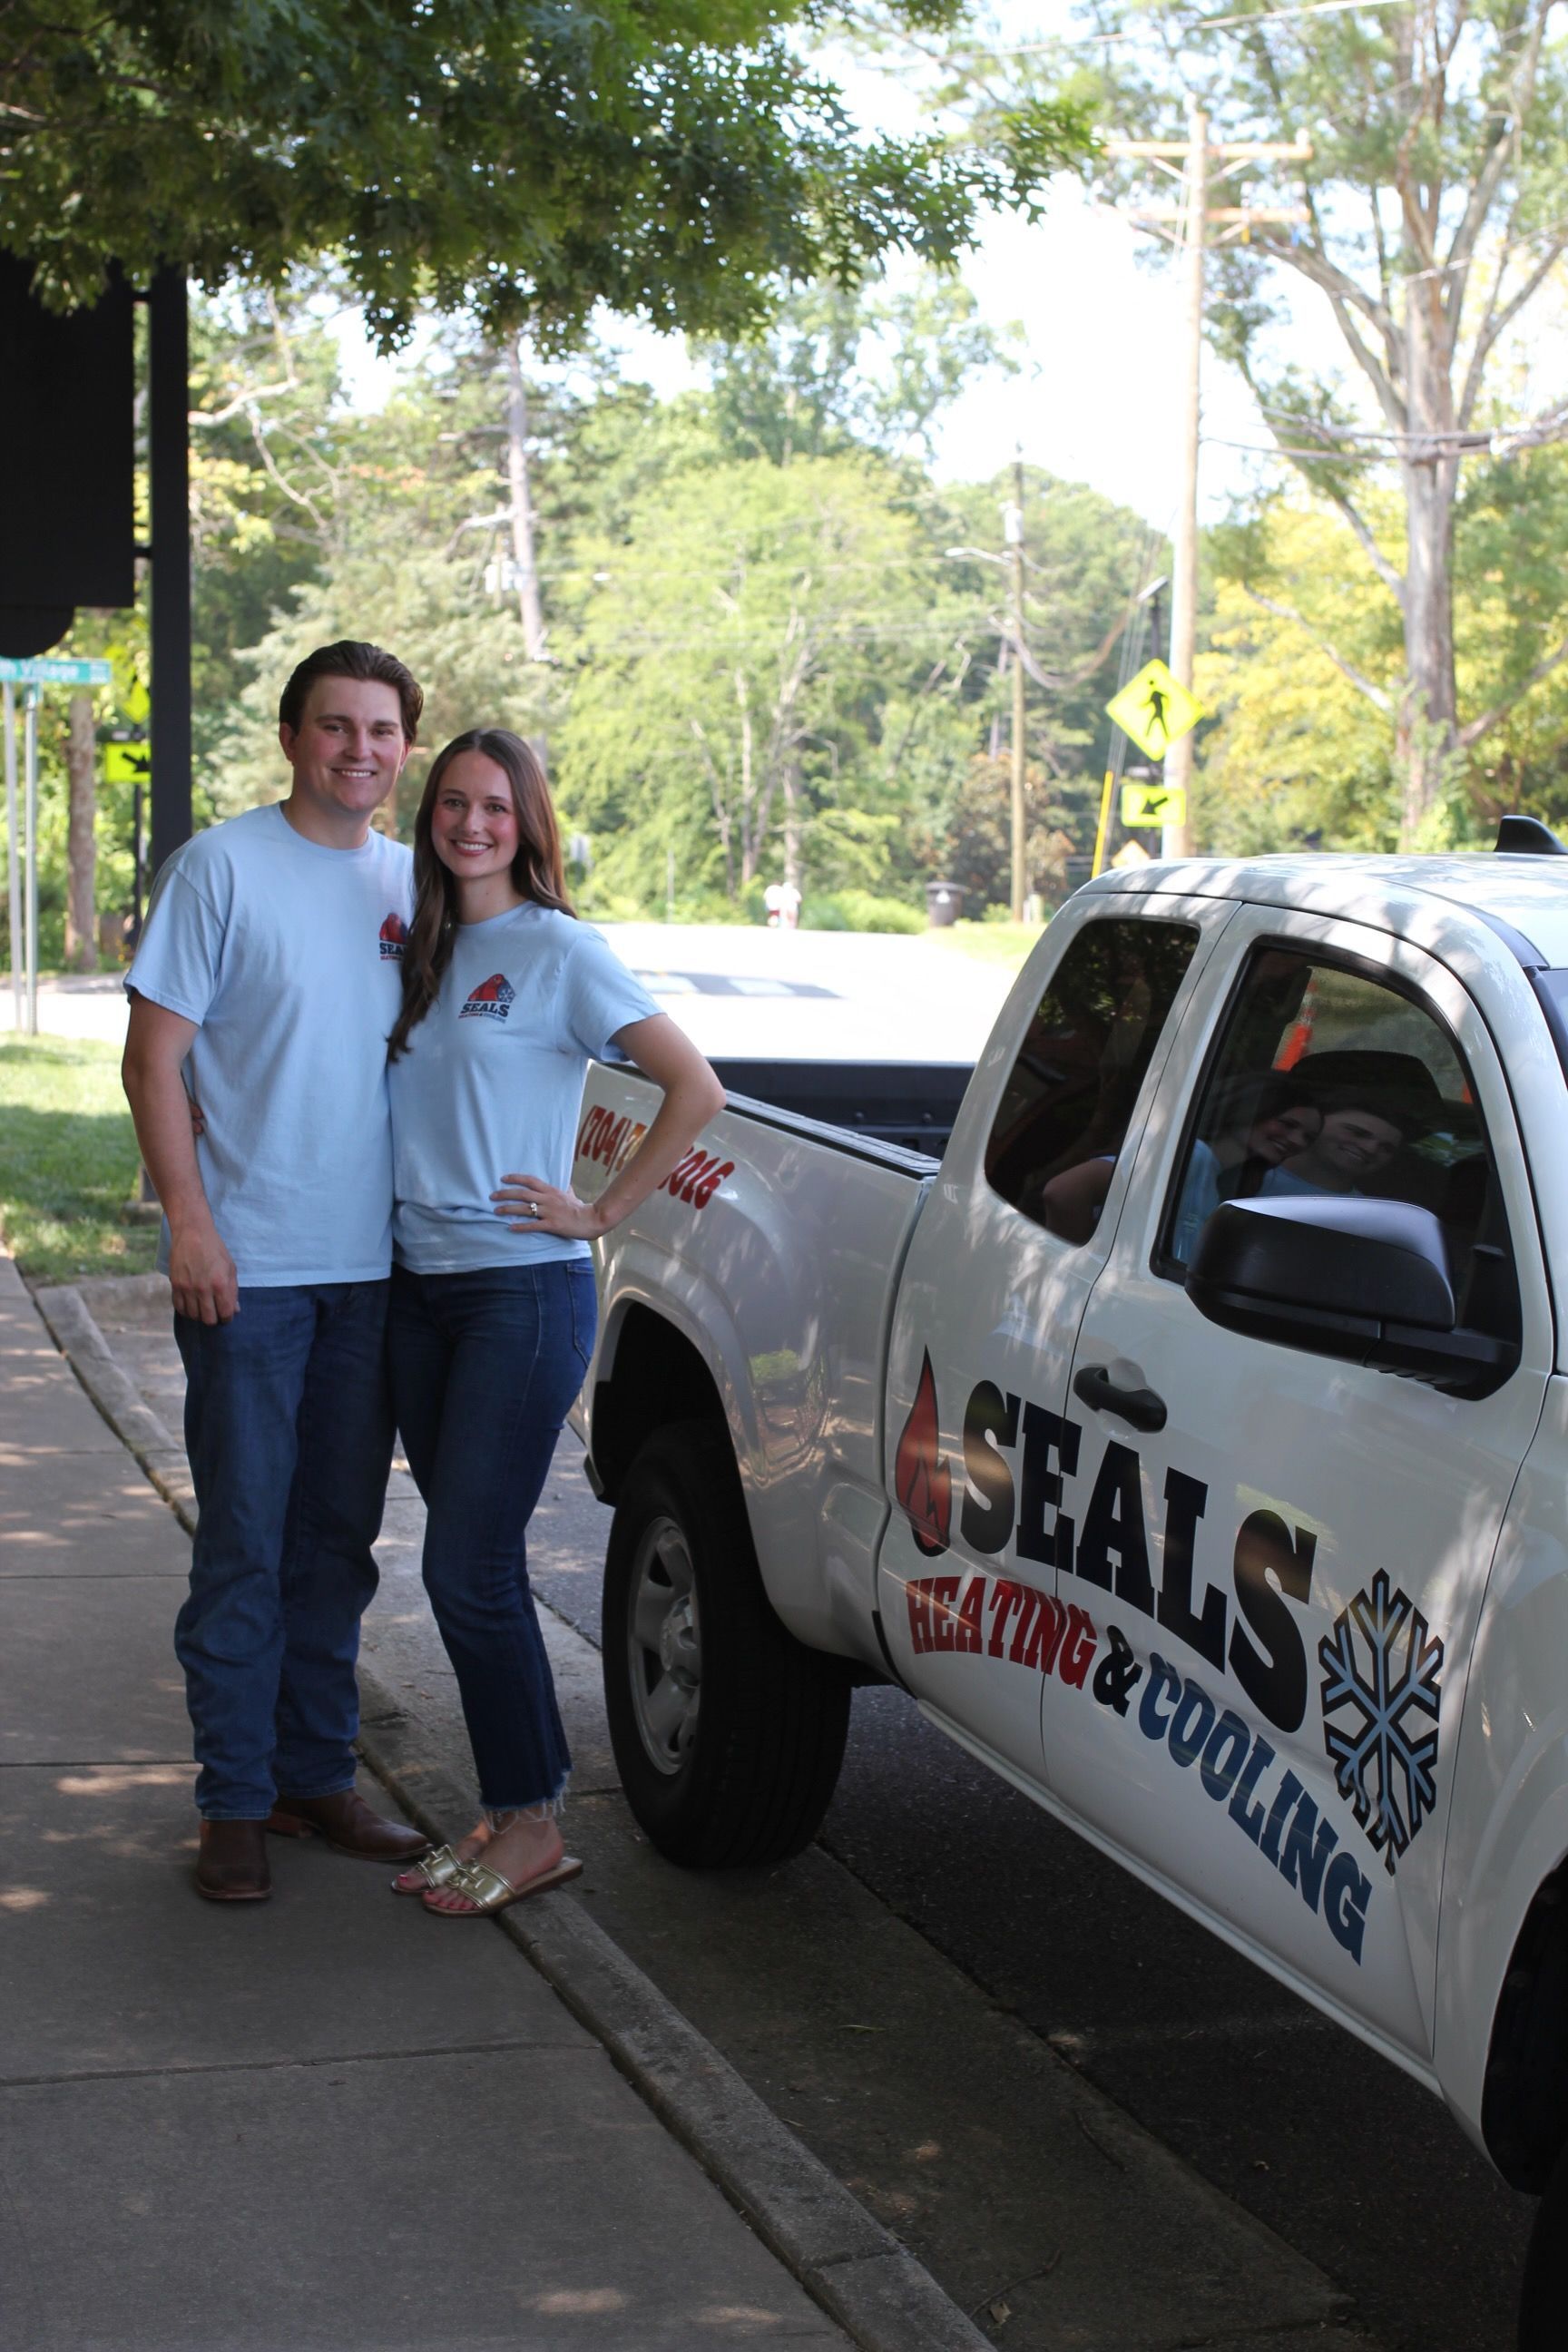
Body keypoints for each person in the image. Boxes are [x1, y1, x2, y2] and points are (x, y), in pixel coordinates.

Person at [383, 729, 725, 1917]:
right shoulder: (422, 946)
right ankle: (504, 1807)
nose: (469, 823)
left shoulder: (559, 951)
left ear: (529, 823)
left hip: (516, 1295)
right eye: (451, 803)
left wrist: (599, 1210)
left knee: (463, 1566)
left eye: (493, 806)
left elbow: (696, 1087)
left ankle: (533, 1822)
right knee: (468, 1564)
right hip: (415, 1292)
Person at [121, 641, 433, 1903]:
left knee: (338, 1542)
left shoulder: (423, 883)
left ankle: (316, 1775)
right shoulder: (220, 869)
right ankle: (234, 1801)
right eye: (336, 726)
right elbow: (153, 1064)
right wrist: (188, 1220)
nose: (360, 748)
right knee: (246, 1541)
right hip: (248, 1269)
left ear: (406, 745)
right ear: (293, 735)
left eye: (382, 729)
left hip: (379, 1274)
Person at [1171, 1074, 1323, 1260]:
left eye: (1308, 1137)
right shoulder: (1193, 1156)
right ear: (1249, 1110)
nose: (1297, 1141)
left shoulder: (1219, 1174)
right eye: (1288, 1124)